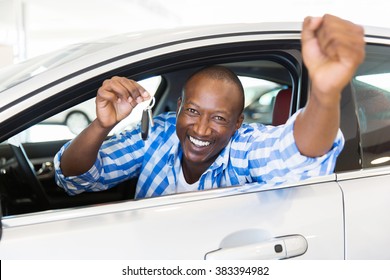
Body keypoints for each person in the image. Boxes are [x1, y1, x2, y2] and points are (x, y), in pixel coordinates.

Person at [54, 14, 365, 198]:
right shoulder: (158, 134)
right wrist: (102, 125)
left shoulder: (244, 149)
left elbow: (292, 156)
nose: (201, 129)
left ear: (238, 122)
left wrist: (325, 93)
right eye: (192, 111)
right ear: (177, 107)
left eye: (219, 117)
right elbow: (76, 178)